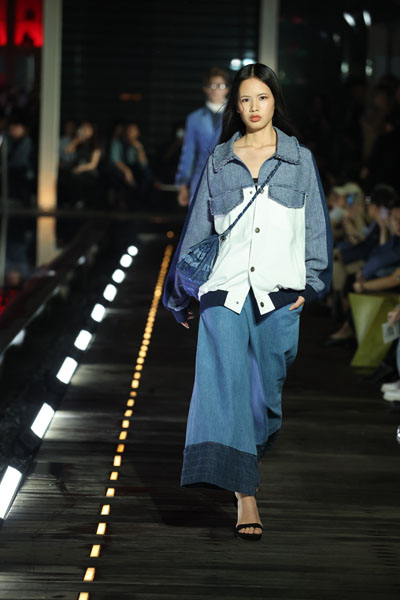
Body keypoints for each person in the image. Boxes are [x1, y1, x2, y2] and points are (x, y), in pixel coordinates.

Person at [163, 63, 333, 540]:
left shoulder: (299, 159)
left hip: (279, 293)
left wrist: (310, 286)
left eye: (262, 97)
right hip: (226, 289)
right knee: (227, 385)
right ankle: (246, 495)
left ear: (275, 100)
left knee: (265, 395)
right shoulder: (219, 160)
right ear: (235, 107)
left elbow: (316, 226)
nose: (254, 107)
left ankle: (246, 451)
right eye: (245, 99)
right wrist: (182, 293)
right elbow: (198, 228)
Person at [175, 67, 229, 207]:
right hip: (201, 178)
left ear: (227, 89)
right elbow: (188, 152)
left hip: (230, 178)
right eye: (212, 85)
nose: (216, 90)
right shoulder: (194, 118)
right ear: (206, 88)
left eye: (220, 85)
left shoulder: (237, 115)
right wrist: (183, 184)